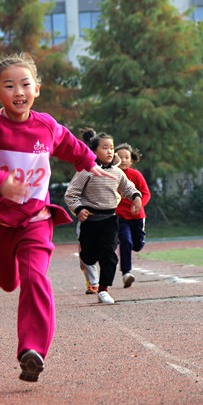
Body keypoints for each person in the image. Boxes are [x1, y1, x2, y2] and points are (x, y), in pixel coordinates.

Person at [0, 53, 112, 383]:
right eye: (9, 86)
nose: (18, 91)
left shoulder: (46, 125)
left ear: (36, 89)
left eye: (25, 84)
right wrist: (1, 184)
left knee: (35, 278)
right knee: (7, 279)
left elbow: (68, 143)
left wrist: (89, 162)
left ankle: (33, 351)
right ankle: (2, 267)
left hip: (35, 220)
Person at [64, 129, 142, 304]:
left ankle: (103, 289)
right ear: (94, 152)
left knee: (109, 255)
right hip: (90, 220)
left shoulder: (117, 172)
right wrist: (78, 209)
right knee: (89, 256)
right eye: (104, 147)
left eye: (111, 148)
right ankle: (89, 257)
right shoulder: (86, 171)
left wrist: (136, 197)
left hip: (109, 220)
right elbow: (71, 194)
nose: (109, 151)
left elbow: (128, 188)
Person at [114, 143, 151, 288]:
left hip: (137, 216)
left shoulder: (136, 175)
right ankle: (126, 274)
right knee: (126, 242)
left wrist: (140, 203)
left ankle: (138, 242)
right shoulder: (112, 175)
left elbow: (146, 193)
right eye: (120, 157)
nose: (123, 160)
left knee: (137, 245)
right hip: (120, 216)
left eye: (126, 157)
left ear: (131, 160)